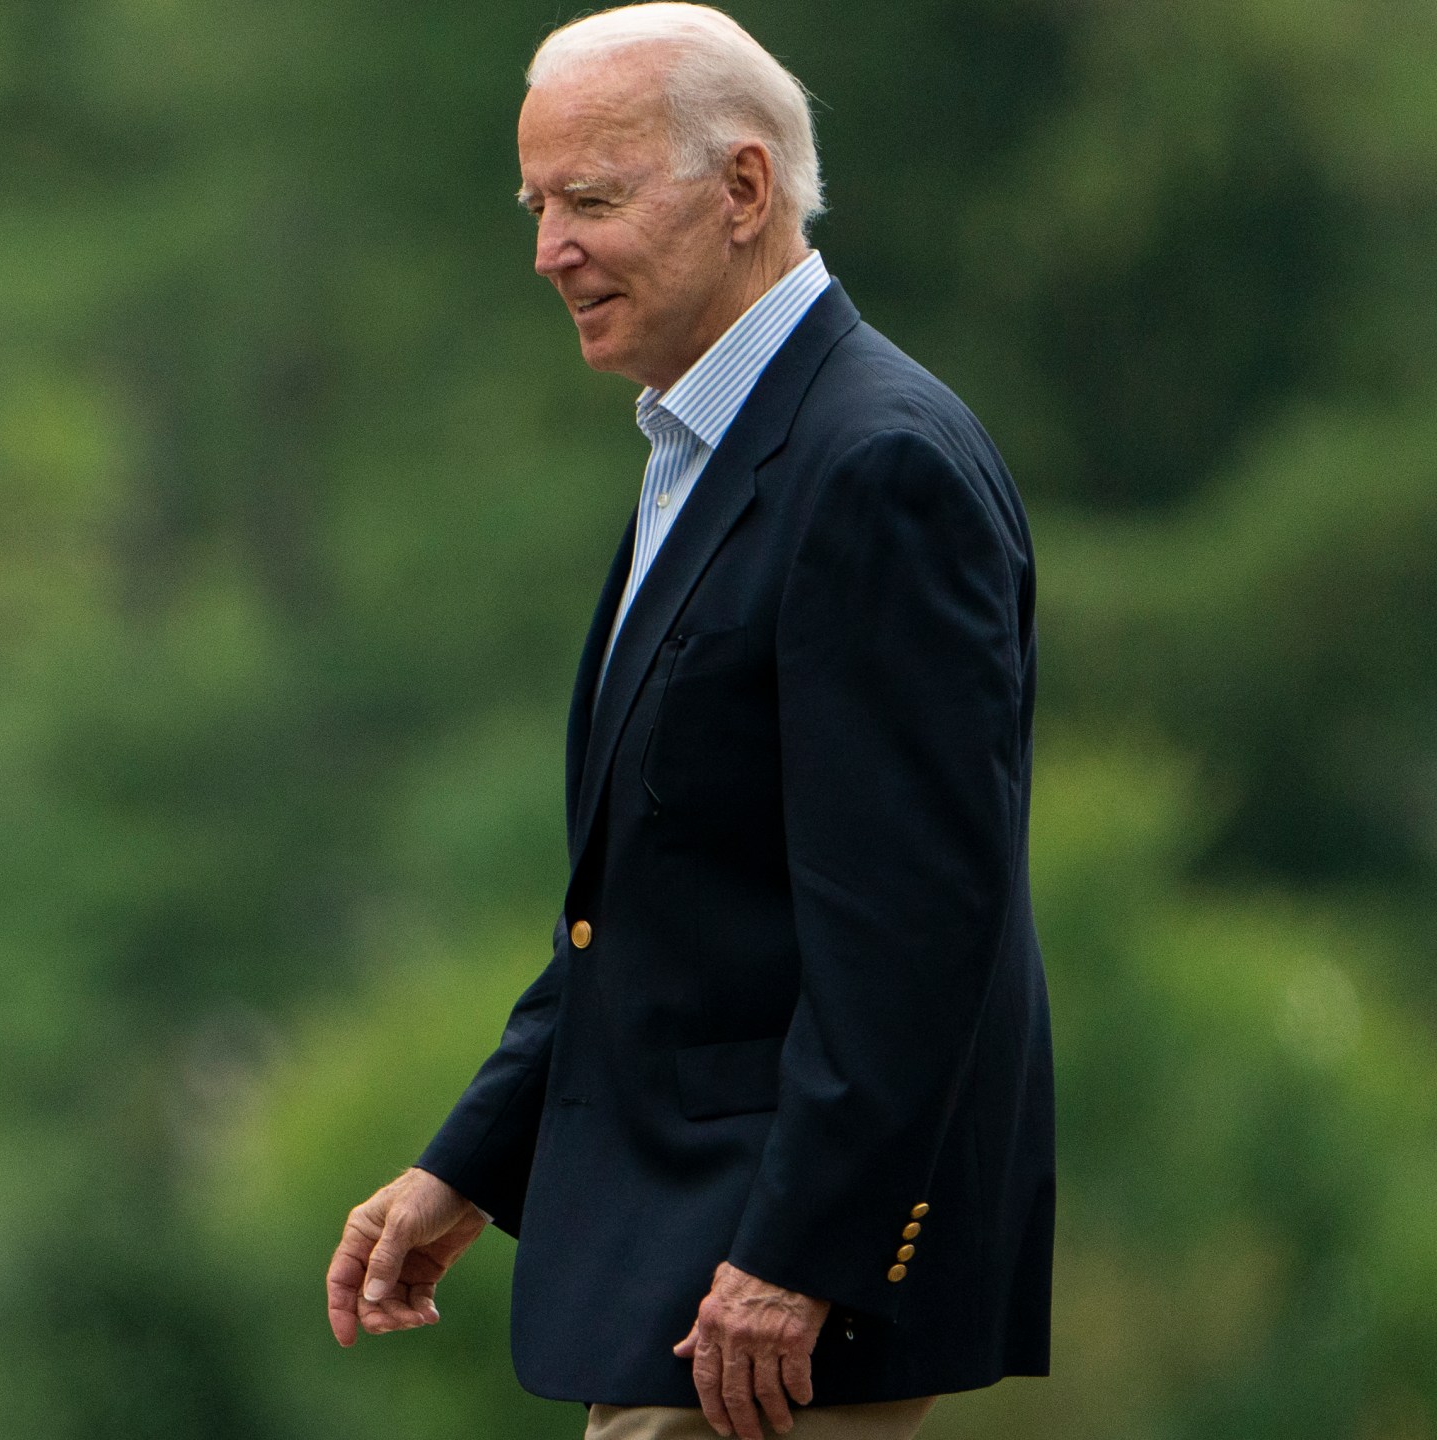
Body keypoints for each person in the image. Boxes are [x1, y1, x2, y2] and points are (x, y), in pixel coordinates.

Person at [321, 7, 1054, 1439]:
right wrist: (473, 1160)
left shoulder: (874, 466)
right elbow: (656, 900)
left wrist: (803, 1258)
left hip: (760, 1311)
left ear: (742, 190)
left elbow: (917, 927)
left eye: (590, 201)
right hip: (689, 1275)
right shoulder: (704, 446)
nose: (548, 250)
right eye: (537, 207)